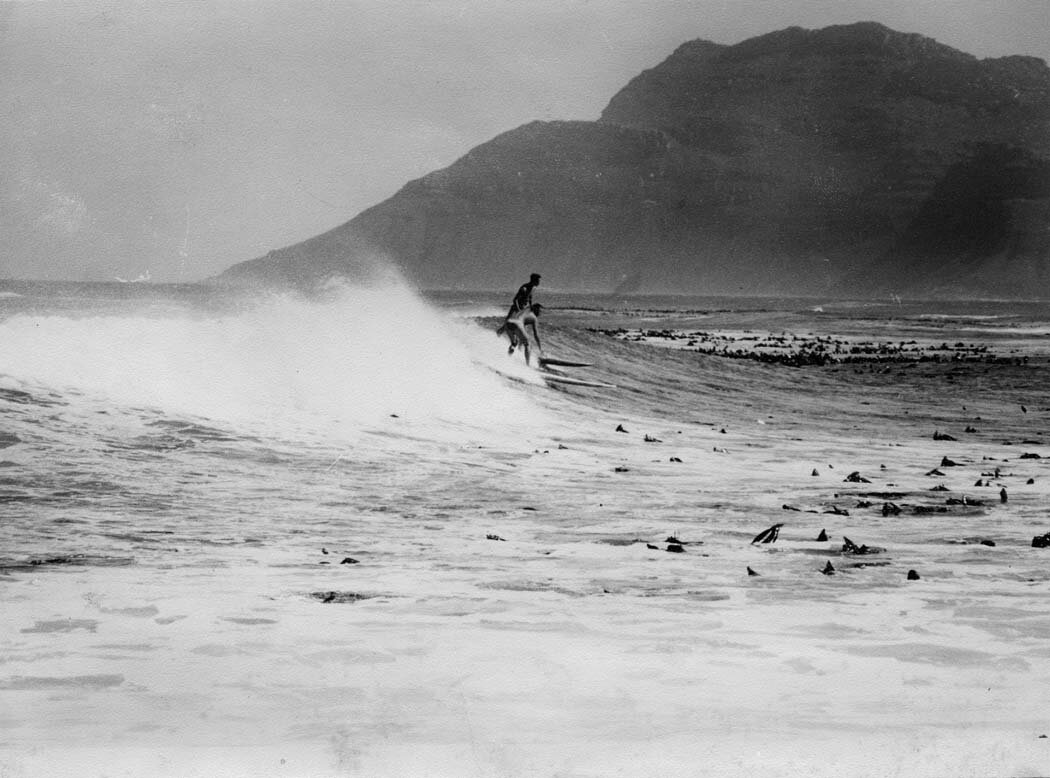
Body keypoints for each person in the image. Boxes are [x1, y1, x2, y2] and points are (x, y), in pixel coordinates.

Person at [495, 273, 541, 340]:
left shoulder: (534, 288)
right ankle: (496, 337)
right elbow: (515, 300)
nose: (539, 282)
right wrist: (518, 309)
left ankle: (519, 345)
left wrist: (531, 307)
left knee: (521, 326)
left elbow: (530, 297)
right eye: (538, 281)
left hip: (523, 309)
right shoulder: (524, 288)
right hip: (516, 309)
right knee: (507, 325)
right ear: (534, 280)